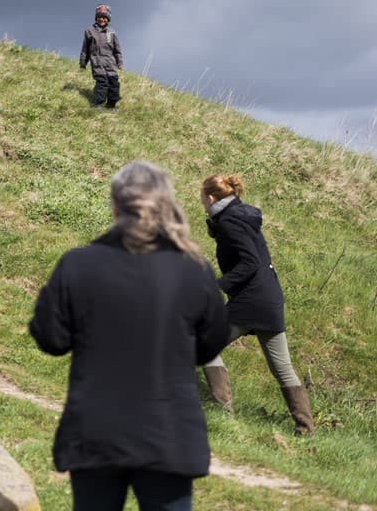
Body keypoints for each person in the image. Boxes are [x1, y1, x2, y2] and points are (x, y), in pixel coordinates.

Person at [30, 161, 229, 511]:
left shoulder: (78, 264)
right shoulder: (194, 269)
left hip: (96, 432)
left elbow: (50, 338)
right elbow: (210, 344)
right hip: (169, 433)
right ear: (166, 204)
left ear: (115, 206)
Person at [199, 175, 315, 436]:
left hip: (250, 300)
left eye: (202, 198)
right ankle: (306, 431)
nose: (202, 203)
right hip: (269, 298)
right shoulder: (240, 215)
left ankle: (223, 416)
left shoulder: (230, 221)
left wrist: (217, 286)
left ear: (210, 198)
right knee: (282, 368)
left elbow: (249, 262)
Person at [79, 4, 123, 110]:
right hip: (97, 63)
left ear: (108, 19)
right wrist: (83, 62)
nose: (102, 19)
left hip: (110, 64)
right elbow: (85, 49)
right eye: (99, 17)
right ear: (96, 18)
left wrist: (119, 62)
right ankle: (98, 103)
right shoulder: (90, 31)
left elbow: (117, 50)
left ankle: (111, 105)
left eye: (104, 17)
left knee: (114, 84)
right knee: (102, 83)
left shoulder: (112, 33)